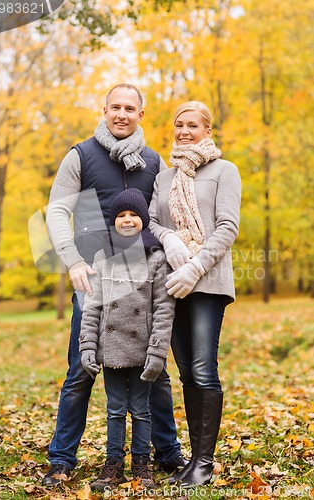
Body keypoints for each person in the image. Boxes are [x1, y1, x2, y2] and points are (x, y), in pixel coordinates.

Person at [43, 83, 186, 486]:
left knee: (155, 370)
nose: (121, 114)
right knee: (80, 368)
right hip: (94, 278)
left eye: (129, 108)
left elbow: (163, 217)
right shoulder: (82, 155)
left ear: (141, 114)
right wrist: (72, 260)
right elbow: (57, 211)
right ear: (103, 110)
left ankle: (168, 452)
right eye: (114, 107)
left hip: (144, 279)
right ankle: (62, 458)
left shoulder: (154, 161)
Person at [149, 101, 241, 487]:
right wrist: (168, 238)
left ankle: (204, 463)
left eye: (192, 125)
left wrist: (194, 266)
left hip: (207, 282)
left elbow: (227, 226)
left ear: (207, 129)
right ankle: (192, 460)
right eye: (179, 125)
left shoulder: (224, 170)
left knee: (204, 369)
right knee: (186, 372)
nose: (184, 131)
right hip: (172, 285)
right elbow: (151, 221)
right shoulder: (164, 177)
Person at [79, 188, 175, 491]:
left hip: (143, 348)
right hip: (111, 350)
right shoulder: (101, 258)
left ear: (143, 220)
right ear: (113, 221)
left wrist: (158, 353)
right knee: (115, 408)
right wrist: (87, 346)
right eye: (121, 215)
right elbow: (92, 306)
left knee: (142, 409)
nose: (128, 220)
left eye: (134, 214)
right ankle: (114, 465)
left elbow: (163, 308)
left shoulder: (157, 257)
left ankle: (141, 464)